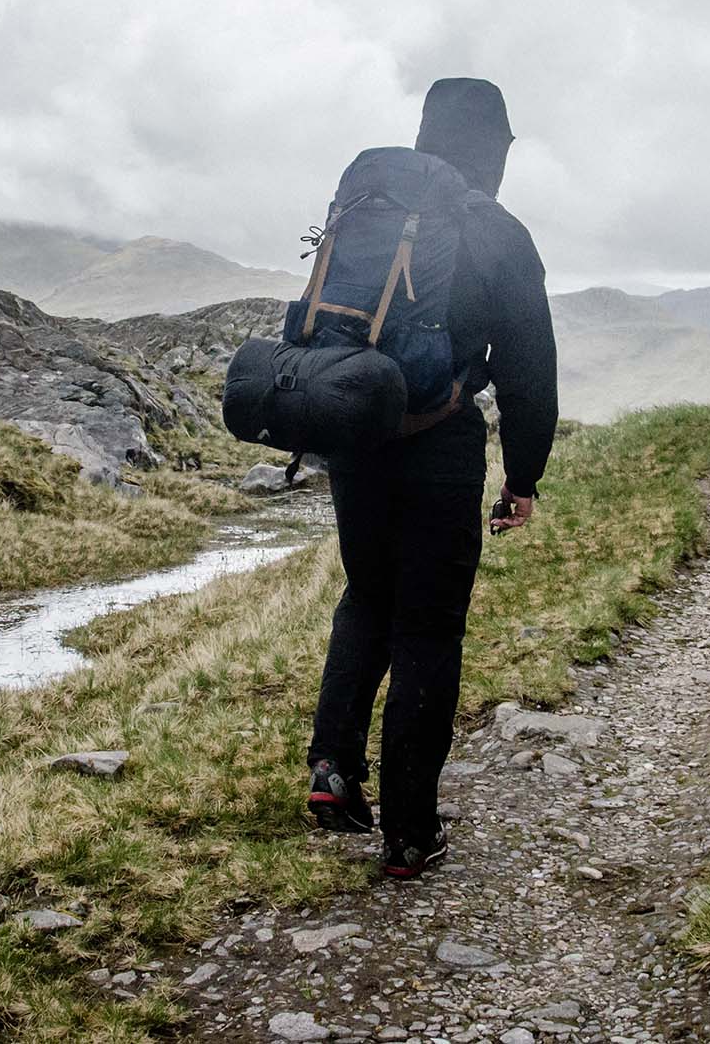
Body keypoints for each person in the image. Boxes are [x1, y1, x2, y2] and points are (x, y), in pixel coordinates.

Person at [304, 76, 559, 878]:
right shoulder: (496, 231)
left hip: (356, 433)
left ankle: (333, 771)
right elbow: (528, 371)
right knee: (428, 625)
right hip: (439, 440)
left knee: (368, 595)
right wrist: (523, 475)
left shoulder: (369, 210)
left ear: (423, 134)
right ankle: (411, 831)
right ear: (496, 150)